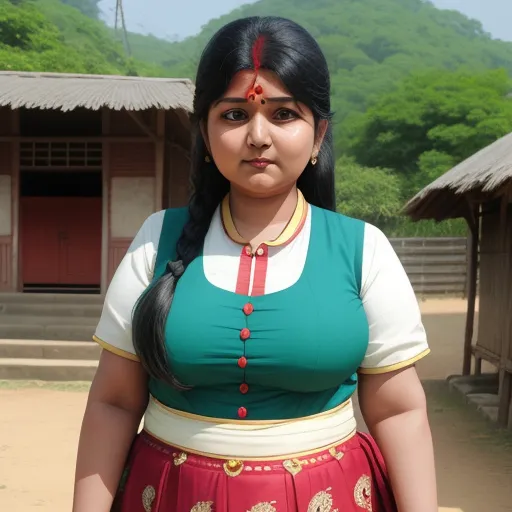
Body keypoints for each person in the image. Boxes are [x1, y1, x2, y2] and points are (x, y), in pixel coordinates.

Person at [73, 16, 437, 512]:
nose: (258, 136)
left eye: (284, 114)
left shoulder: (364, 250)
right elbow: (114, 402)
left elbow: (398, 410)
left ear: (319, 132)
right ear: (204, 128)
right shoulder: (156, 240)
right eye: (234, 115)